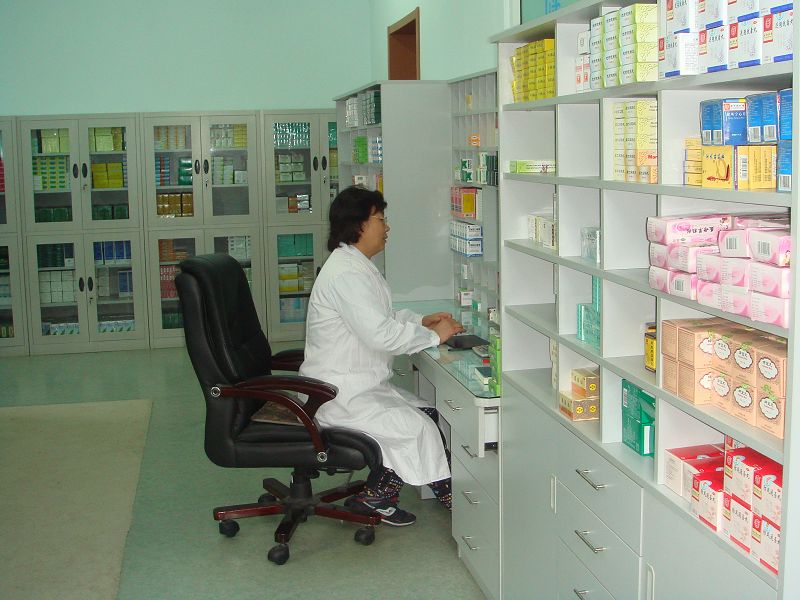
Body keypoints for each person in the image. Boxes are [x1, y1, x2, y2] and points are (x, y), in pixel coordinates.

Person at [299, 185, 464, 526]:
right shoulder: (346, 273)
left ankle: (378, 495)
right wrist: (435, 336)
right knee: (418, 428)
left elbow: (379, 319)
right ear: (360, 224)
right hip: (339, 395)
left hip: (358, 386)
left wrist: (420, 321)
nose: (387, 227)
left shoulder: (355, 265)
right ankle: (457, 505)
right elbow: (380, 334)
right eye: (380, 219)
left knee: (426, 414)